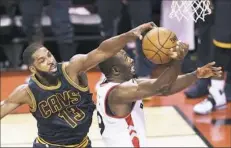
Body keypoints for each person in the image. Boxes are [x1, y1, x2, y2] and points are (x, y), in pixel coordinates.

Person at [0, 22, 154, 147]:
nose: (50, 61)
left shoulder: (72, 69)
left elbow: (102, 51)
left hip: (81, 144)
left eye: (49, 55)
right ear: (33, 69)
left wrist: (129, 35)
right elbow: (3, 107)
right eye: (42, 61)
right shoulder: (27, 92)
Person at [96, 47, 222, 146]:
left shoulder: (114, 86)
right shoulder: (118, 93)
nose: (132, 60)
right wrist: (176, 60)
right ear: (116, 70)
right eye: (126, 58)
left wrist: (196, 74)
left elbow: (165, 89)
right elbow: (160, 86)